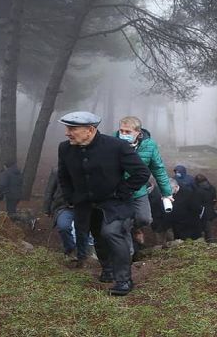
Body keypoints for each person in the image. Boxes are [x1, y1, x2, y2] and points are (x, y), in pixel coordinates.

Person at [57, 111, 150, 296]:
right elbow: (63, 176)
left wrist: (121, 192)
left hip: (115, 203)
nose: (67, 133)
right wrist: (71, 198)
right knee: (98, 236)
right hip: (85, 204)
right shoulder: (64, 148)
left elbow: (141, 173)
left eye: (72, 128)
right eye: (67, 128)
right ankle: (107, 270)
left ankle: (124, 280)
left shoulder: (116, 146)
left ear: (90, 130)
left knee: (112, 233)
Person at [114, 116, 173, 253]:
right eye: (121, 131)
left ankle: (136, 228)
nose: (123, 134)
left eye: (127, 132)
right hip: (118, 190)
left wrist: (166, 193)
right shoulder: (112, 141)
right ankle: (127, 255)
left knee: (145, 218)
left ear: (138, 132)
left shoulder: (149, 145)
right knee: (124, 223)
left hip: (139, 190)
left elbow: (158, 168)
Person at [43, 168, 95, 261]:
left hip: (83, 207)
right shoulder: (57, 171)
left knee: (84, 232)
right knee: (64, 227)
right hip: (63, 207)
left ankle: (83, 256)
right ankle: (70, 249)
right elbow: (49, 191)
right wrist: (46, 208)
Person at [0, 159, 35, 229]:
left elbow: (2, 185)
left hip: (11, 195)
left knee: (10, 213)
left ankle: (28, 220)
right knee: (12, 210)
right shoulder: (18, 172)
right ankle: (13, 226)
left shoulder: (6, 173)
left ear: (6, 166)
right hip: (18, 195)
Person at [194, 173, 217, 242]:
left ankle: (208, 243)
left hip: (202, 213)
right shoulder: (212, 187)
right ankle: (209, 242)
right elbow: (214, 200)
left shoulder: (198, 191)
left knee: (202, 230)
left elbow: (196, 204)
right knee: (208, 229)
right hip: (210, 211)